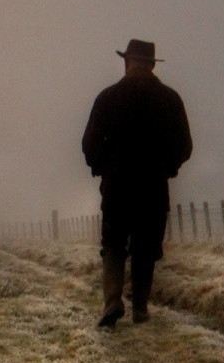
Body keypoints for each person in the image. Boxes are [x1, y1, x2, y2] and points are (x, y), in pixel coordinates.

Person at [81, 39, 192, 328]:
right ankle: (140, 308)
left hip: (117, 186)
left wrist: (100, 167)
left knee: (114, 244)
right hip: (153, 188)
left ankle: (112, 302)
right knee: (146, 247)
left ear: (127, 62)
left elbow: (89, 143)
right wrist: (169, 167)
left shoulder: (107, 98)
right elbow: (185, 146)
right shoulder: (170, 99)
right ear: (152, 65)